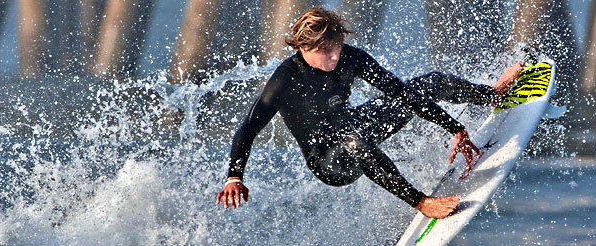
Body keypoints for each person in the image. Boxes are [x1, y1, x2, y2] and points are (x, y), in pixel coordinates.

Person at [216, 7, 522, 219]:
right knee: (355, 141)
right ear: (303, 47)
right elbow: (248, 128)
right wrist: (234, 175)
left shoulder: (350, 58)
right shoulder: (285, 79)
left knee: (428, 83)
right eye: (326, 52)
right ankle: (422, 202)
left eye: (337, 47)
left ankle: (492, 95)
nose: (335, 56)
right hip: (328, 160)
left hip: (354, 126)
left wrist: (454, 127)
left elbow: (401, 94)